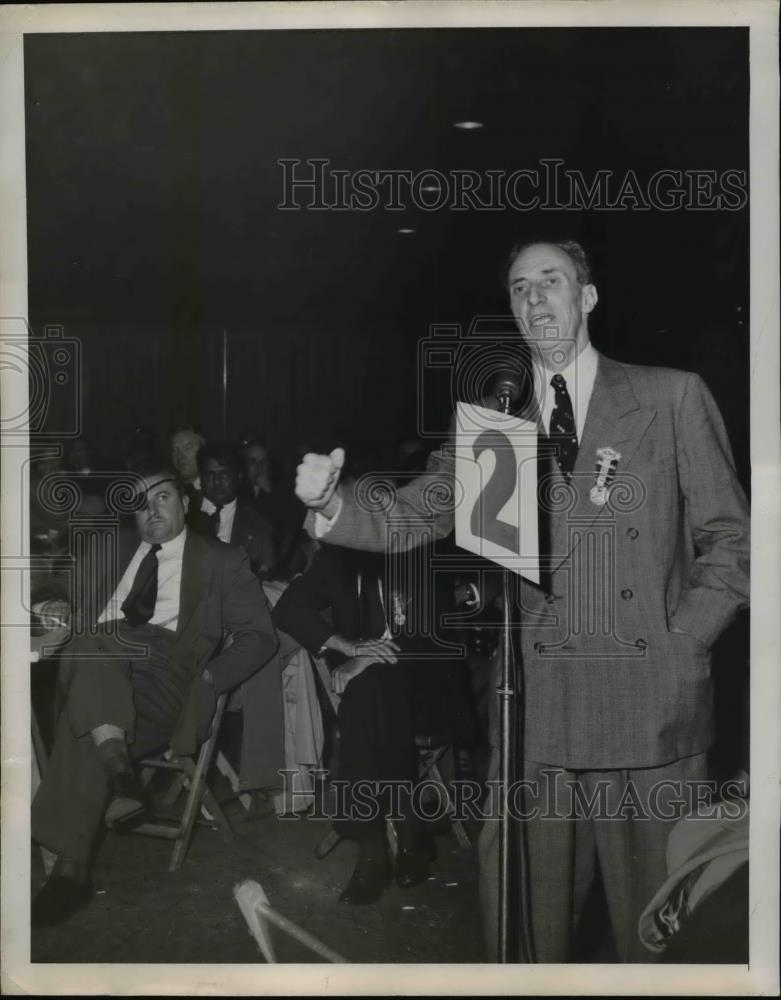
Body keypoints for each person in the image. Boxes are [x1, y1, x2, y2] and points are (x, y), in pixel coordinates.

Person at [293, 239, 750, 961]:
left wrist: (682, 639)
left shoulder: (670, 396)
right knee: (523, 927)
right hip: (537, 709)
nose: (534, 298)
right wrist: (331, 505)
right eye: (518, 288)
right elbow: (417, 511)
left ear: (587, 297)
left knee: (660, 934)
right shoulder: (494, 423)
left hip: (650, 706)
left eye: (551, 281)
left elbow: (732, 540)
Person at [31, 465, 278, 927]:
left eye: (162, 497)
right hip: (97, 664)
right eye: (139, 502)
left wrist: (211, 679)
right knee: (96, 640)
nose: (149, 509)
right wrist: (53, 604)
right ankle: (117, 774)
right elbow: (55, 587)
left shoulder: (222, 560)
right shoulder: (111, 547)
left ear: (186, 502)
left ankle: (72, 865)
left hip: (166, 681)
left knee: (90, 676)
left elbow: (260, 636)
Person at [272, 544, 477, 905]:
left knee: (368, 690)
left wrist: (365, 660)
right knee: (369, 694)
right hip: (373, 696)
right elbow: (288, 609)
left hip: (431, 683)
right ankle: (404, 833)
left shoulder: (421, 549)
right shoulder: (336, 556)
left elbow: (428, 637)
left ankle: (374, 849)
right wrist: (348, 648)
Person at [195, 441, 276, 580]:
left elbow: (266, 574)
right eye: (210, 475)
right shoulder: (186, 517)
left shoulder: (258, 525)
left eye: (224, 474)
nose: (217, 481)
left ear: (239, 477)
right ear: (201, 479)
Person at [170, 425, 206, 508]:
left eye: (188, 447)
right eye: (175, 450)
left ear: (203, 450)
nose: (180, 456)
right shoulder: (170, 490)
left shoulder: (218, 490)